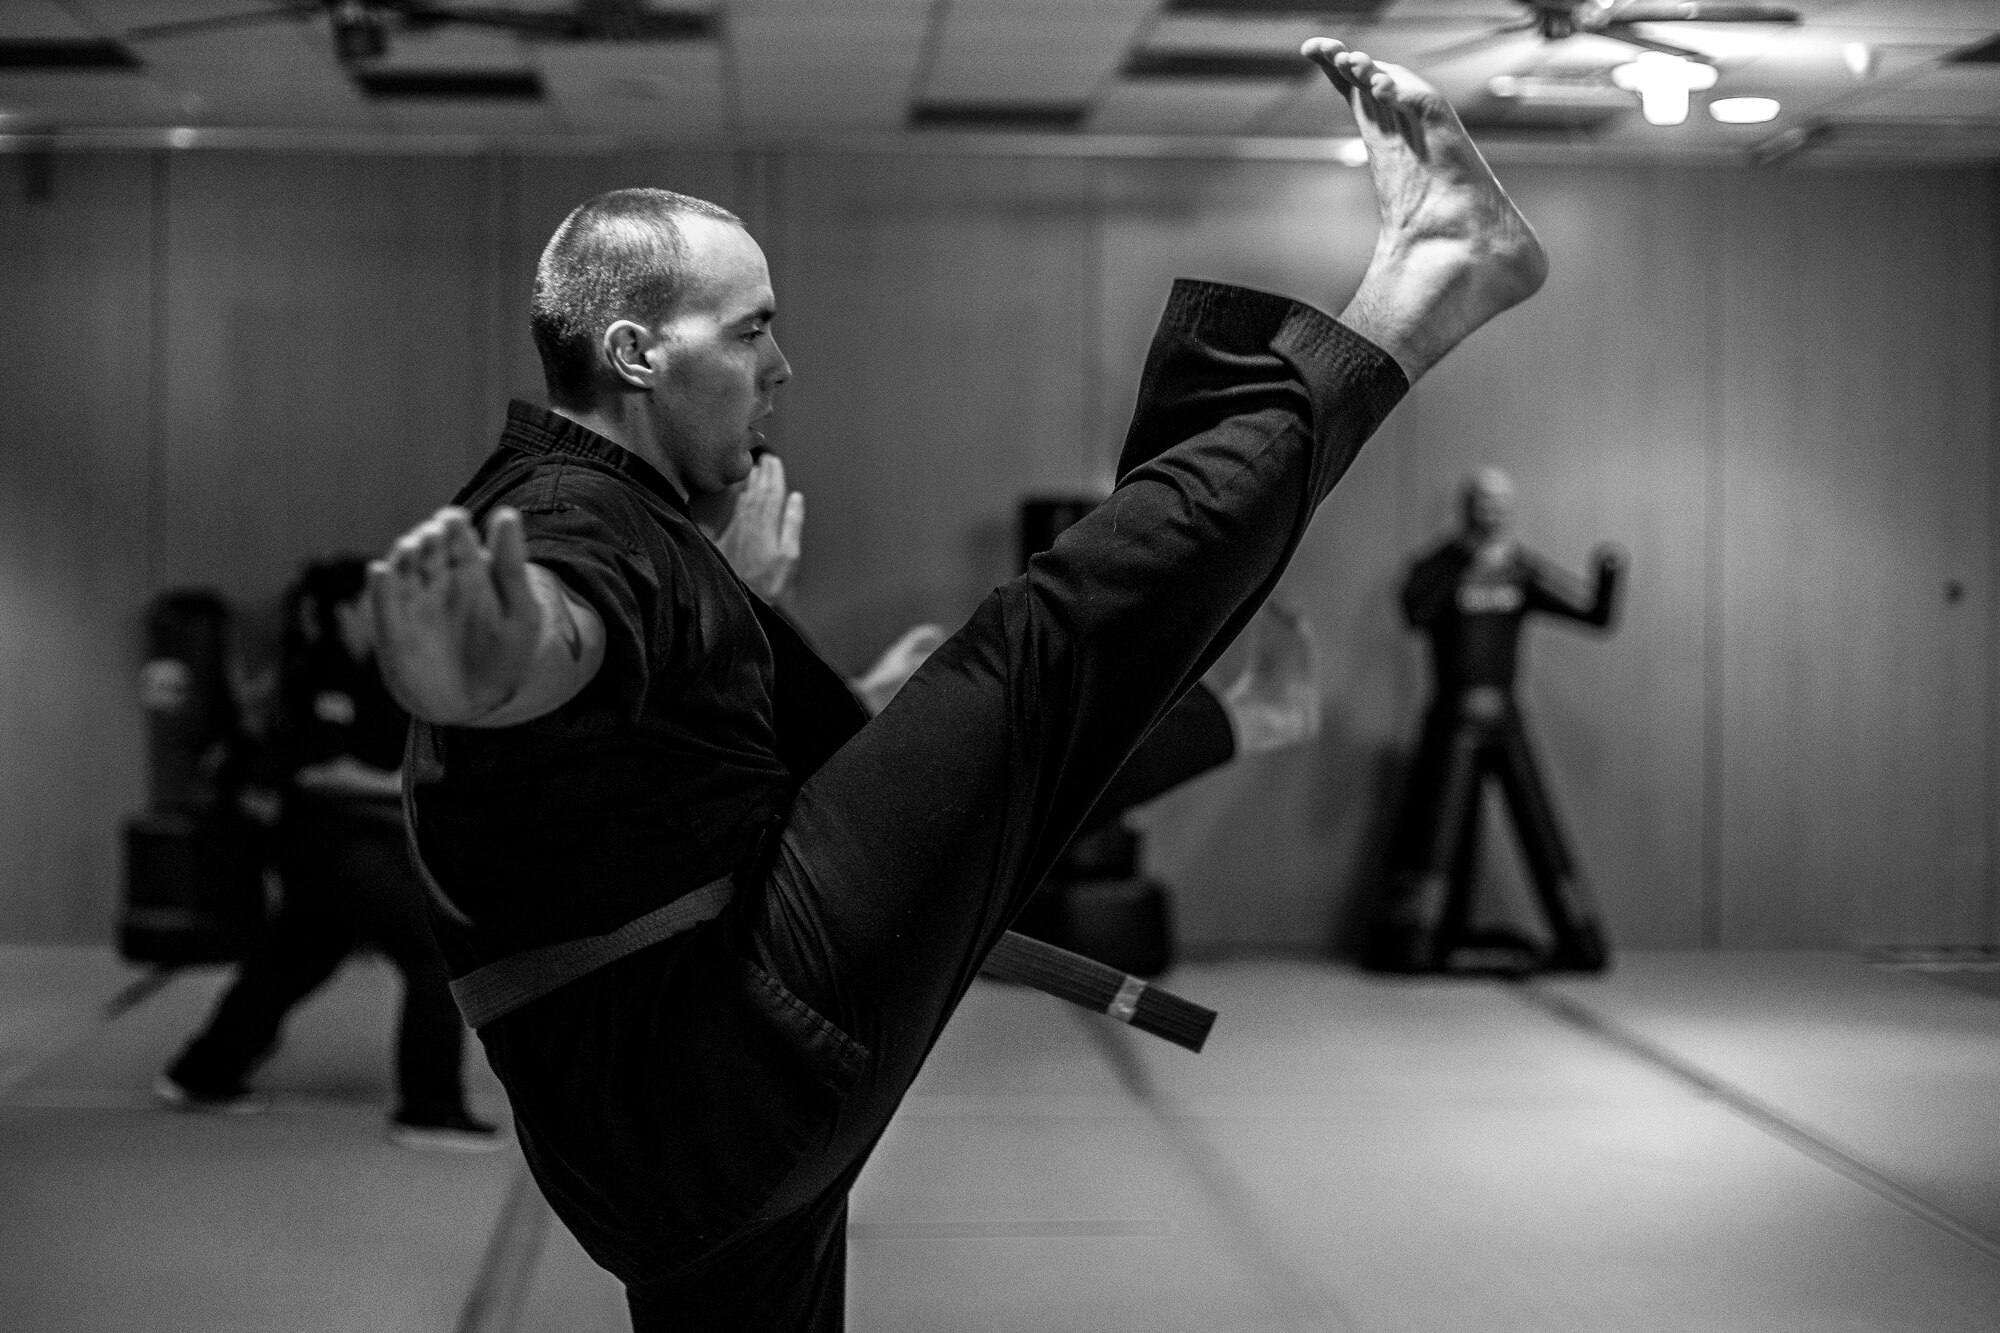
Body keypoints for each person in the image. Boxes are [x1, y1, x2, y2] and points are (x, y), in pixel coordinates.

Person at [367, 40, 1545, 1329]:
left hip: (655, 1152)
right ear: (637, 353)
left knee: (940, 725)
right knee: (1044, 650)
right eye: (752, 328)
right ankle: (1425, 284)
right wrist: (496, 668)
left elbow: (631, 738)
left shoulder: (651, 528)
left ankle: (1237, 710)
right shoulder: (566, 512)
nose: (782, 366)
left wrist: (738, 610)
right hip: (717, 1062)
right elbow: (565, 619)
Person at [156, 558, 497, 1151]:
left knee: (296, 959)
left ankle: (202, 1073)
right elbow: (319, 769)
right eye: (376, 601)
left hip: (352, 847)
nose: (389, 612)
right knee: (432, 952)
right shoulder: (318, 672)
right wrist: (402, 783)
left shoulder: (378, 671)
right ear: (347, 610)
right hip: (327, 845)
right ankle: (430, 1109)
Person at [1369, 466, 1624, 974]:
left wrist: (1610, 577)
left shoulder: (1520, 571)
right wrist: (1461, 558)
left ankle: (1581, 939)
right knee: (1435, 829)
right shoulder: (1444, 566)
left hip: (1507, 718)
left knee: (1539, 824)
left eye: (1502, 501)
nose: (1493, 510)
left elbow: (1594, 616)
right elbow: (1415, 610)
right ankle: (1414, 941)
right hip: (1451, 718)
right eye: (1484, 500)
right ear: (1467, 506)